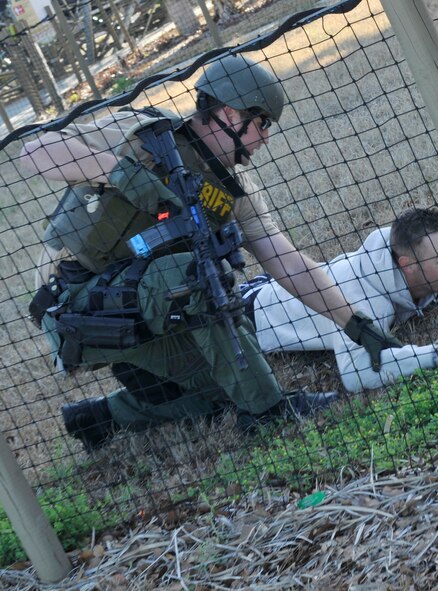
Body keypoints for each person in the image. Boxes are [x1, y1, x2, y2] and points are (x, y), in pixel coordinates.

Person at [19, 53, 399, 450]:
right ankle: (266, 413)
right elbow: (36, 150)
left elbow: (286, 262)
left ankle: (100, 417)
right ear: (231, 114)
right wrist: (123, 174)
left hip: (141, 307)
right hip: (77, 308)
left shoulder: (233, 191)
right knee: (198, 277)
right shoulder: (145, 134)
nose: (265, 138)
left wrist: (355, 325)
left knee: (229, 378)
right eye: (262, 123)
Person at [104, 208, 438, 398]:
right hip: (237, 324)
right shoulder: (364, 303)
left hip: (253, 296)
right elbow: (359, 374)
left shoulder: (414, 248)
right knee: (175, 393)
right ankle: (104, 409)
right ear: (405, 266)